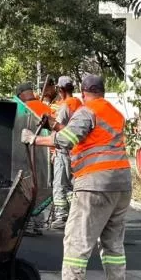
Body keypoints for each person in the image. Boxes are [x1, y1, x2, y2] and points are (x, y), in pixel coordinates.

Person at [23, 73, 132, 280]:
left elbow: (67, 139)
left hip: (95, 183)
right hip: (122, 183)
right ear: (102, 91)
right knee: (113, 243)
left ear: (84, 92)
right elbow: (87, 136)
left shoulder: (86, 111)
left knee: (77, 238)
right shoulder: (114, 113)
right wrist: (54, 125)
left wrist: (34, 140)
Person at [49, 76, 83, 230]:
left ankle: (61, 216)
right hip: (77, 150)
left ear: (60, 90)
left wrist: (52, 147)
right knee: (70, 185)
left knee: (59, 184)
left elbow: (59, 128)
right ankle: (74, 214)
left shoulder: (65, 106)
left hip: (63, 150)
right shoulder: (79, 104)